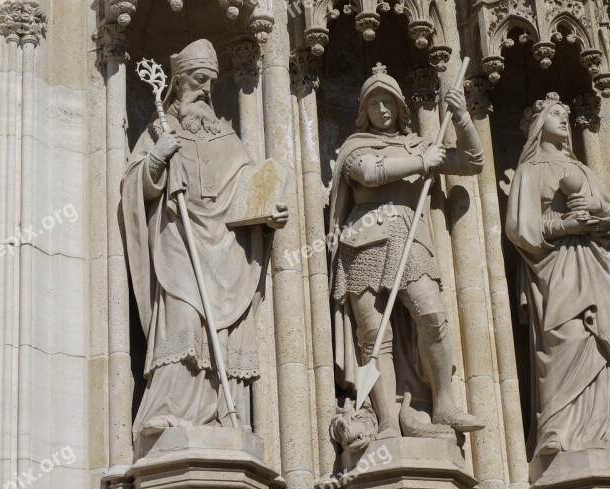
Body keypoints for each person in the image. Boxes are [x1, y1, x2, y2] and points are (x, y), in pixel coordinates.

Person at [122, 40, 288, 440]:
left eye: (212, 82)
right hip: (177, 240)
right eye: (199, 80)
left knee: (222, 333)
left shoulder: (226, 137)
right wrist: (158, 158)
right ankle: (167, 412)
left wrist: (268, 216)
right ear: (177, 83)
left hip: (225, 250)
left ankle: (220, 416)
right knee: (182, 318)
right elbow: (132, 189)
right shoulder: (159, 131)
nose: (206, 91)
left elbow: (250, 190)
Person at [329, 64, 485, 438]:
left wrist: (462, 118)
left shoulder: (419, 145)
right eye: (373, 103)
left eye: (388, 102)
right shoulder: (355, 147)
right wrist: (421, 163)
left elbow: (473, 162)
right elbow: (368, 173)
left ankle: (444, 404)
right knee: (373, 333)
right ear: (363, 111)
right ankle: (385, 422)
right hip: (363, 241)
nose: (381, 109)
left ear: (400, 106)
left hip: (409, 237)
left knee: (431, 313)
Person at [505, 92, 610, 458]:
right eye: (554, 114)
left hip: (591, 264)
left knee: (597, 339)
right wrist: (562, 225)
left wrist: (595, 210)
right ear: (538, 126)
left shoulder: (584, 171)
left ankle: (604, 430)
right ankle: (555, 428)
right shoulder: (530, 171)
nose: (563, 119)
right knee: (567, 336)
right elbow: (519, 227)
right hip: (554, 267)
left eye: (566, 115)